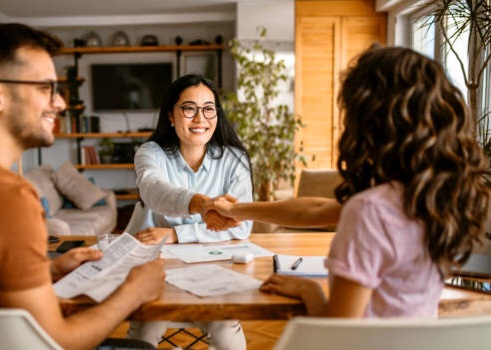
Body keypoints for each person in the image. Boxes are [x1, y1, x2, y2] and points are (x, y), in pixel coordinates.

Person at [206, 45, 490, 318]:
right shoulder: (439, 197)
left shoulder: (371, 209)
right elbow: (316, 210)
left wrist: (309, 290)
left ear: (370, 122)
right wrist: (237, 210)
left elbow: (340, 336)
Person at [0, 22, 166, 350]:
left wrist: (47, 269)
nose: (60, 103)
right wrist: (133, 291)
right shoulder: (13, 198)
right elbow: (54, 342)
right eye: (46, 88)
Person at [127, 74, 253, 349]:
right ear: (171, 115)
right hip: (155, 271)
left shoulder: (235, 159)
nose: (200, 118)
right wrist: (203, 205)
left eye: (209, 108)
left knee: (226, 328)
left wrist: (175, 233)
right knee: (143, 328)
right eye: (189, 108)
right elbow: (153, 189)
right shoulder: (150, 153)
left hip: (215, 270)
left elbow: (241, 227)